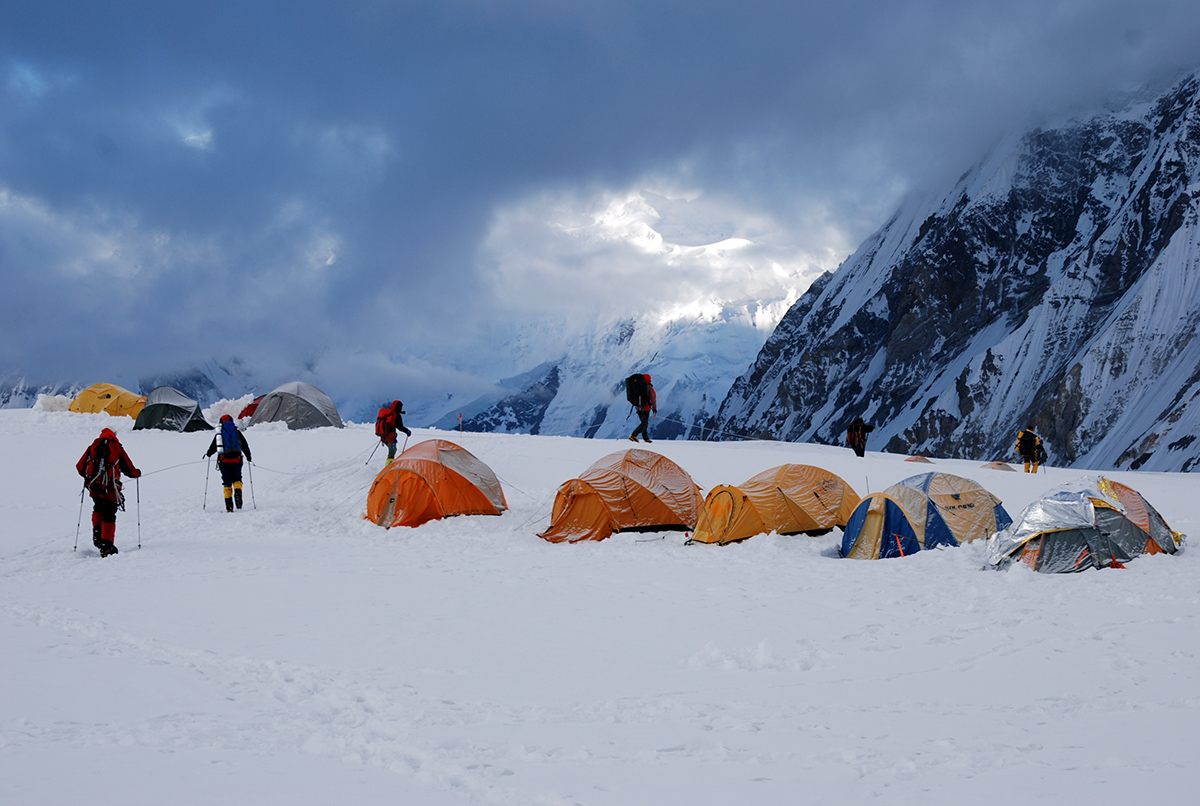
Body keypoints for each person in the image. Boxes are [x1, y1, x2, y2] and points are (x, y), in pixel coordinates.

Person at [76, 427, 141, 557]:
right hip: (110, 489)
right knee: (109, 515)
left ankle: (97, 534)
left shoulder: (93, 447)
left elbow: (80, 466)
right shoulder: (116, 448)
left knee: (98, 508)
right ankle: (107, 546)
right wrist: (137, 473)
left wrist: (90, 479)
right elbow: (128, 468)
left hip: (94, 488)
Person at [205, 414, 253, 511]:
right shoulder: (237, 432)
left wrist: (209, 454)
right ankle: (238, 491)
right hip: (237, 460)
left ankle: (229, 506)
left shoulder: (220, 434)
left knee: (226, 482)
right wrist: (249, 457)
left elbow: (214, 447)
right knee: (237, 478)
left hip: (224, 461)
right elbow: (244, 445)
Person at [375, 400, 412, 464]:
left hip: (383, 436)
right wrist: (407, 431)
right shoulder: (396, 415)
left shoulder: (387, 413)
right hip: (390, 436)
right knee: (392, 452)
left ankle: (389, 465)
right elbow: (400, 427)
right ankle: (388, 468)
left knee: (391, 451)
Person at [628, 374, 657, 443]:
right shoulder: (649, 387)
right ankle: (634, 435)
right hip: (646, 408)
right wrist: (654, 408)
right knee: (644, 423)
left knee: (643, 423)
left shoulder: (637, 387)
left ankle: (645, 438)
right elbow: (653, 398)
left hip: (638, 407)